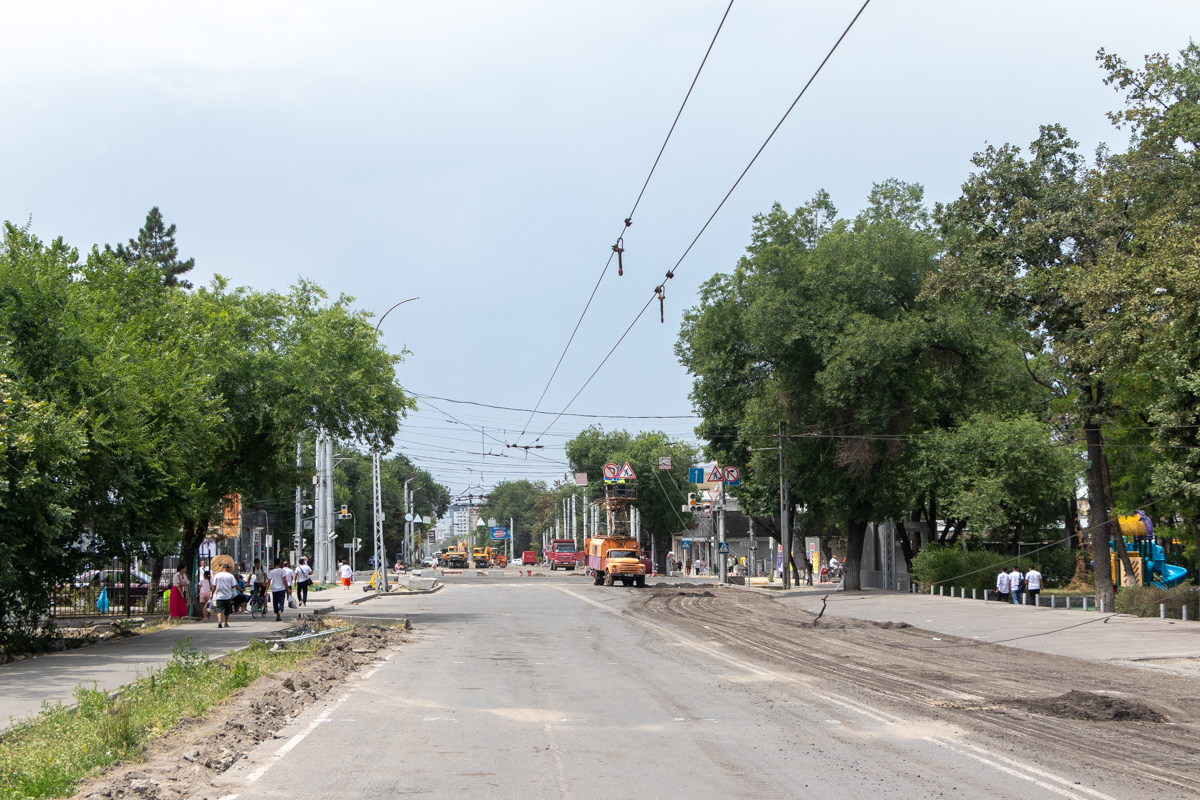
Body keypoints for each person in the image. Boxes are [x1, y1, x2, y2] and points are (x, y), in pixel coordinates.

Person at [212, 563, 237, 628]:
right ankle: (225, 623)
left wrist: (212, 594)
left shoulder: (217, 575)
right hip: (227, 596)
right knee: (227, 610)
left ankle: (219, 621)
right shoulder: (230, 576)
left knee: (219, 609)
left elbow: (213, 586)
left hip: (219, 596)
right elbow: (233, 586)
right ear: (228, 569)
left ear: (222, 568)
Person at [267, 557, 289, 622]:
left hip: (274, 589)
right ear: (280, 563)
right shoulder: (282, 571)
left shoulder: (271, 572)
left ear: (274, 563)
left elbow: (268, 582)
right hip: (281, 588)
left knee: (275, 602)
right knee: (281, 601)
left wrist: (266, 590)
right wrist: (288, 588)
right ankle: (280, 610)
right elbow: (284, 580)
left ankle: (277, 613)